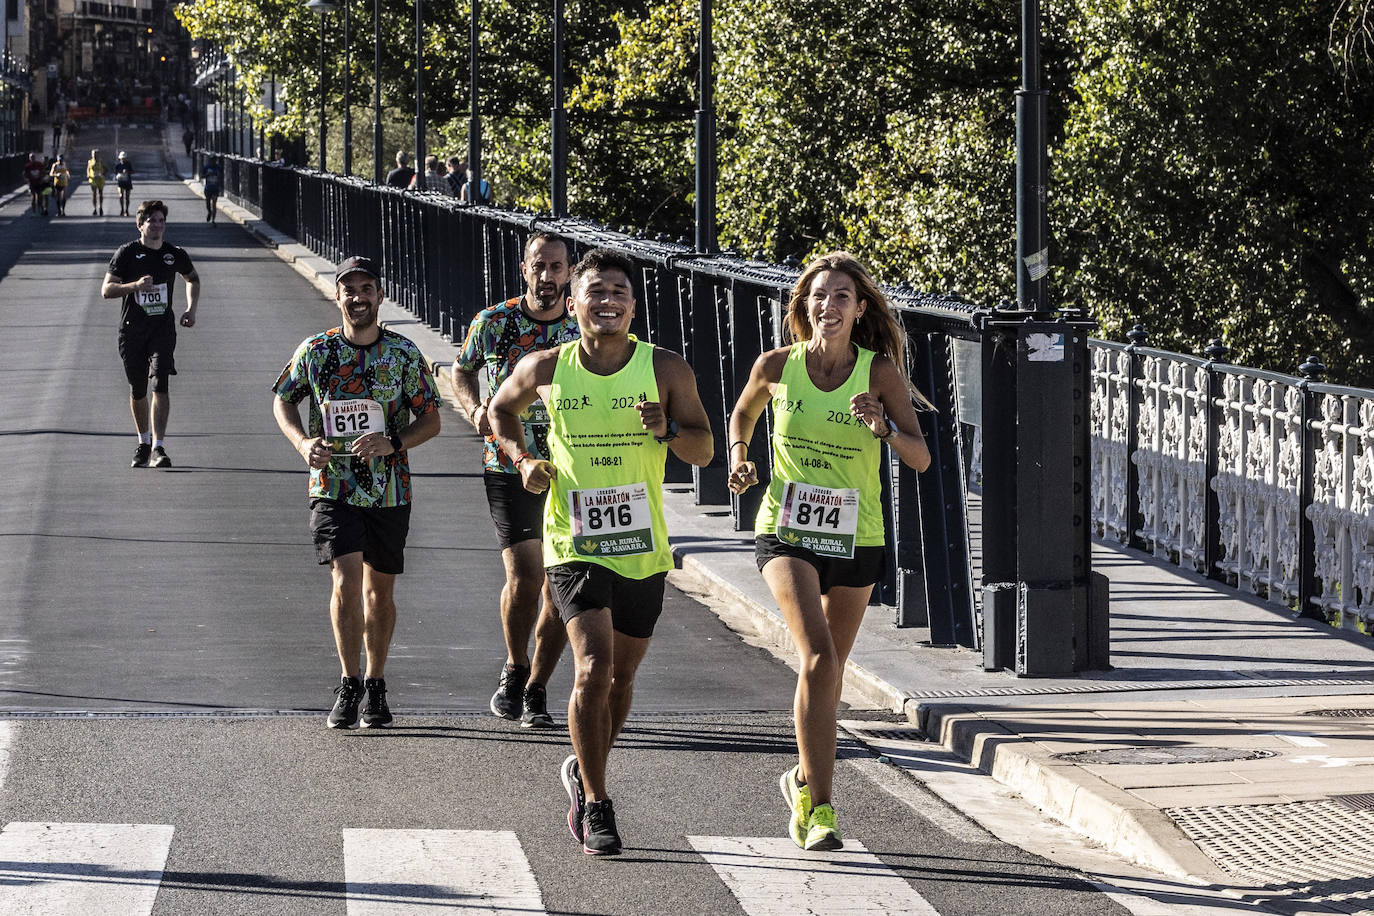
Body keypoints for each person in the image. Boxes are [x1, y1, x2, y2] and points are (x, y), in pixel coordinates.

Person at [489, 248, 714, 855]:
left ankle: (584, 771)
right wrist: (524, 459)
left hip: (642, 548)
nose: (606, 301)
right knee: (591, 667)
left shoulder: (666, 369)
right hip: (575, 540)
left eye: (618, 291)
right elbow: (498, 410)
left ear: (633, 307)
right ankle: (597, 801)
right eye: (594, 292)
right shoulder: (546, 367)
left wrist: (665, 429)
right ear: (573, 303)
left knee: (621, 676)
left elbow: (703, 451)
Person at [726, 251, 932, 852]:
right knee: (816, 657)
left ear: (860, 309)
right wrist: (740, 456)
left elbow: (919, 458)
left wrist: (884, 430)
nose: (829, 306)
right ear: (804, 307)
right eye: (819, 296)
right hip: (786, 529)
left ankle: (800, 777)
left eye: (842, 296)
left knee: (829, 672)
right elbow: (743, 413)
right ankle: (821, 809)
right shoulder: (776, 365)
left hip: (856, 536)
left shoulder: (880, 374)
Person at [272, 256, 442, 730]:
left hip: (389, 489)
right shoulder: (316, 351)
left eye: (366, 289)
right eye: (349, 290)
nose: (358, 298)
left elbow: (431, 419)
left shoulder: (404, 354)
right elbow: (283, 398)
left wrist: (394, 441)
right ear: (338, 296)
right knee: (345, 582)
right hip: (333, 486)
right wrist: (303, 443)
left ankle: (377, 683)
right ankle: (348, 684)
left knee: (378, 593)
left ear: (380, 295)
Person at [452, 232, 578, 729]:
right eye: (538, 266)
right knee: (526, 580)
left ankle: (539, 687)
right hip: (509, 463)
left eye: (556, 268)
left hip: (574, 470)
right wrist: (474, 406)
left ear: (570, 273)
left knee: (560, 588)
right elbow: (460, 370)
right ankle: (515, 665)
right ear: (523, 269)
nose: (546, 277)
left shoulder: (584, 328)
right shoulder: (493, 322)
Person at [101, 200, 201, 469]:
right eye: (151, 221)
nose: (157, 226)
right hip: (132, 330)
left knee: (160, 382)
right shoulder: (126, 253)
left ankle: (159, 447)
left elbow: (192, 278)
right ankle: (143, 442)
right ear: (140, 225)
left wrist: (191, 309)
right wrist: (134, 286)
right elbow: (107, 289)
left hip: (162, 329)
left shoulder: (174, 254)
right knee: (138, 389)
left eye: (160, 221)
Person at [200, 157, 222, 224]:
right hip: (208, 188)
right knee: (208, 203)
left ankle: (213, 220)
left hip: (215, 188)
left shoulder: (218, 167)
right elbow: (201, 176)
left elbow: (222, 176)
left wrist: (219, 176)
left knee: (214, 204)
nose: (213, 161)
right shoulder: (206, 167)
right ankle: (209, 212)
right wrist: (207, 175)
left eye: (214, 160)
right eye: (212, 159)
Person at [113, 151, 134, 217]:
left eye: (124, 158)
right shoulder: (118, 165)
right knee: (121, 196)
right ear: (120, 158)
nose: (123, 159)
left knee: (127, 197)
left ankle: (126, 210)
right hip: (120, 182)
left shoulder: (128, 164)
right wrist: (118, 175)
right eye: (122, 158)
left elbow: (132, 171)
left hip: (127, 182)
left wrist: (127, 171)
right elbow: (115, 173)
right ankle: (122, 209)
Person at [87, 149, 107, 216]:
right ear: (92, 155)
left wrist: (102, 174)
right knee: (94, 194)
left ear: (98, 154)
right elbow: (88, 170)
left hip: (100, 179)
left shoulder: (101, 161)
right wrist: (89, 175)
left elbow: (106, 169)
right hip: (93, 179)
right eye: (93, 154)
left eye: (96, 154)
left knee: (100, 194)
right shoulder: (90, 161)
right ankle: (95, 208)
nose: (95, 155)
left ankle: (100, 207)